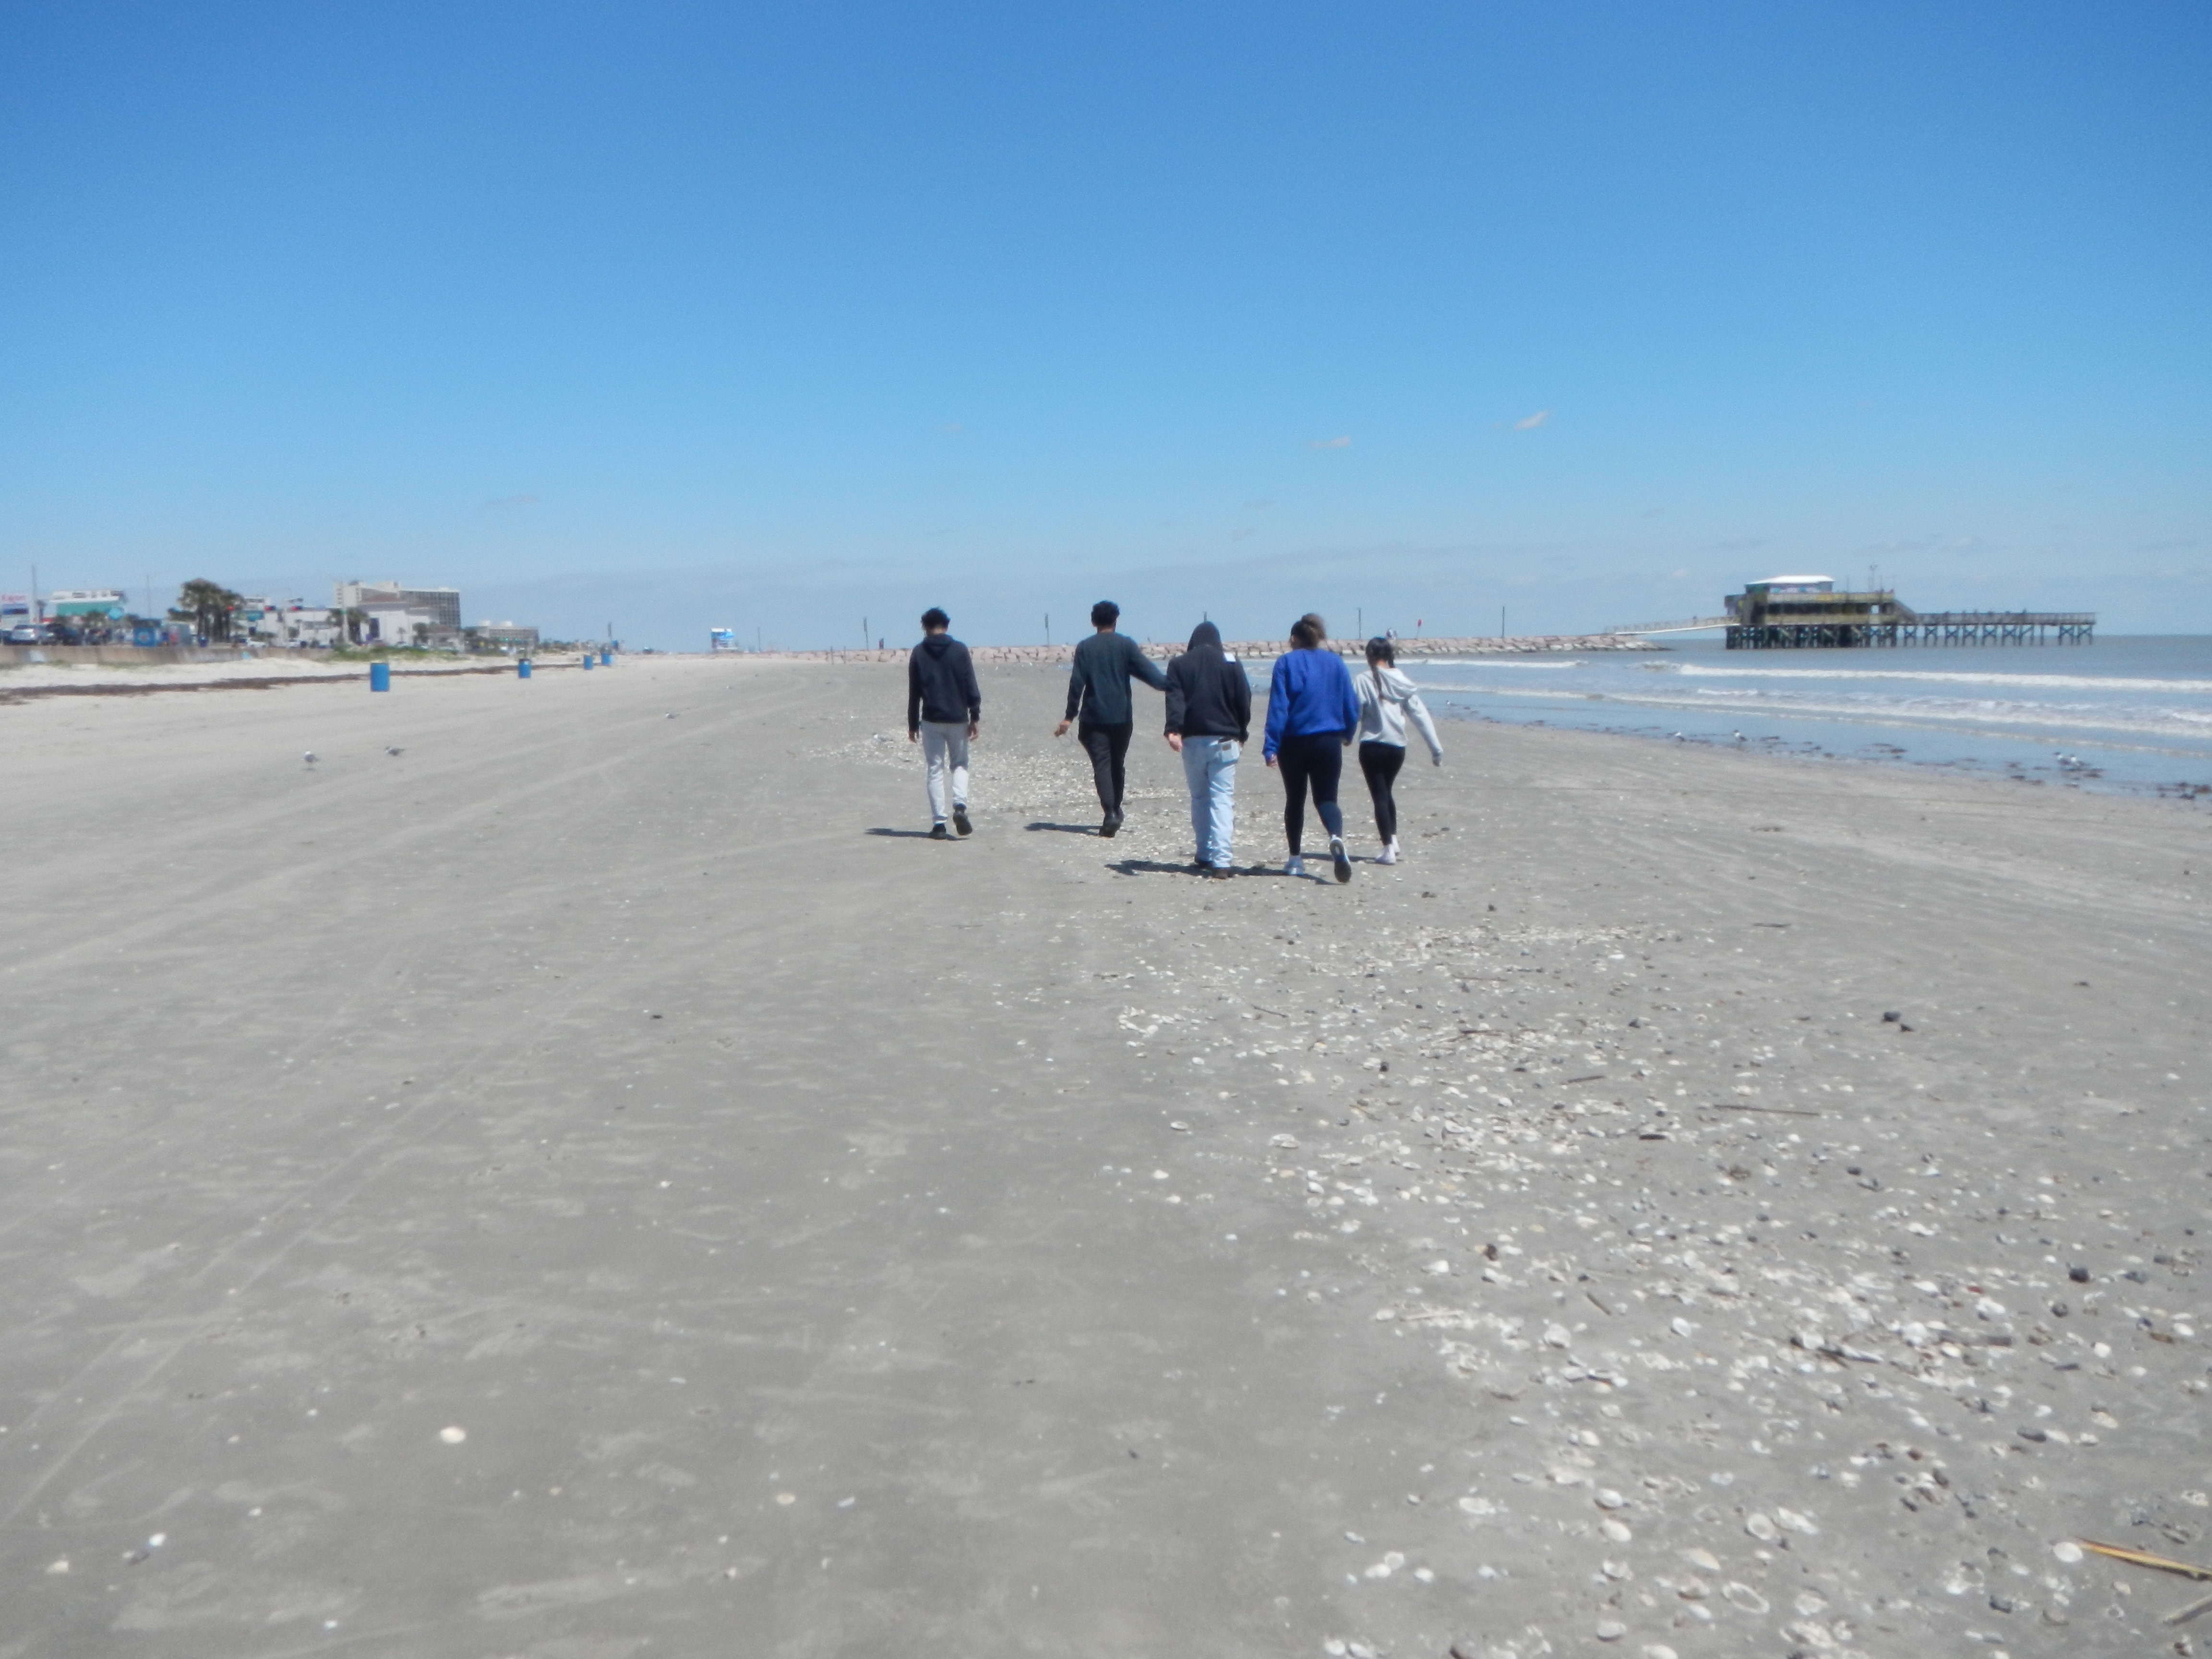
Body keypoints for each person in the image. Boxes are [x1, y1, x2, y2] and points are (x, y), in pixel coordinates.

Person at [1054, 600, 1168, 836]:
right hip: (1121, 717)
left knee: (1102, 765)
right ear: (1116, 620)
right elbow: (1151, 676)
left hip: (1094, 717)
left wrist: (1069, 716)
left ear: (1094, 622)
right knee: (1118, 764)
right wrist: (1176, 685)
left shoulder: (1086, 647)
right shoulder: (1126, 646)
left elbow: (1077, 683)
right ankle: (1115, 809)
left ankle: (1111, 813)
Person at [1262, 613, 1361, 883]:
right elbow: (1351, 705)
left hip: (1293, 742)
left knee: (1295, 799)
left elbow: (1279, 709)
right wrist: (1348, 733)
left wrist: (1271, 746)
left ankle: (1295, 859)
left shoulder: (1285, 663)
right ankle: (1335, 837)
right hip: (1328, 741)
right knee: (1327, 799)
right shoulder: (1336, 663)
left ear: (1294, 638)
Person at [1163, 621, 1251, 877]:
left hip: (1192, 741)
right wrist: (1242, 731)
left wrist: (1173, 730)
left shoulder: (1179, 664)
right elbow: (1243, 700)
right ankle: (1222, 861)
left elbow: (1175, 700)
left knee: (1200, 798)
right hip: (1226, 739)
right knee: (1222, 798)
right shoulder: (1232, 662)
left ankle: (1204, 852)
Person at [1354, 636, 1443, 864]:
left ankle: (1387, 850)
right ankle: (1393, 839)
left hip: (1373, 745)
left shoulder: (1363, 680)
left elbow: (1355, 712)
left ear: (1370, 657)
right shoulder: (1403, 681)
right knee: (1387, 791)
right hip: (1397, 748)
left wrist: (1345, 736)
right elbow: (1420, 715)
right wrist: (1436, 749)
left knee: (1380, 796)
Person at [906, 607, 981, 839]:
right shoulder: (959, 650)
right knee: (960, 764)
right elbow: (971, 685)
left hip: (931, 718)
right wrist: (975, 715)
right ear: (946, 625)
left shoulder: (919, 652)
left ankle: (939, 824)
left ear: (924, 627)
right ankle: (959, 806)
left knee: (935, 769)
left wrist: (912, 723)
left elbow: (914, 692)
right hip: (958, 717)